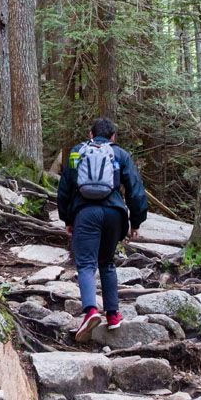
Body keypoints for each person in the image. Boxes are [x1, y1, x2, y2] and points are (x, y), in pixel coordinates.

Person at [57, 117, 148, 343]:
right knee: (107, 262)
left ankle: (90, 312)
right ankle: (113, 314)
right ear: (113, 137)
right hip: (114, 214)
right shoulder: (120, 154)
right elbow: (135, 190)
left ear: (90, 134)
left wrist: (67, 218)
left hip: (85, 213)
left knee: (86, 263)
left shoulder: (78, 152)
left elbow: (65, 187)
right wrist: (136, 221)